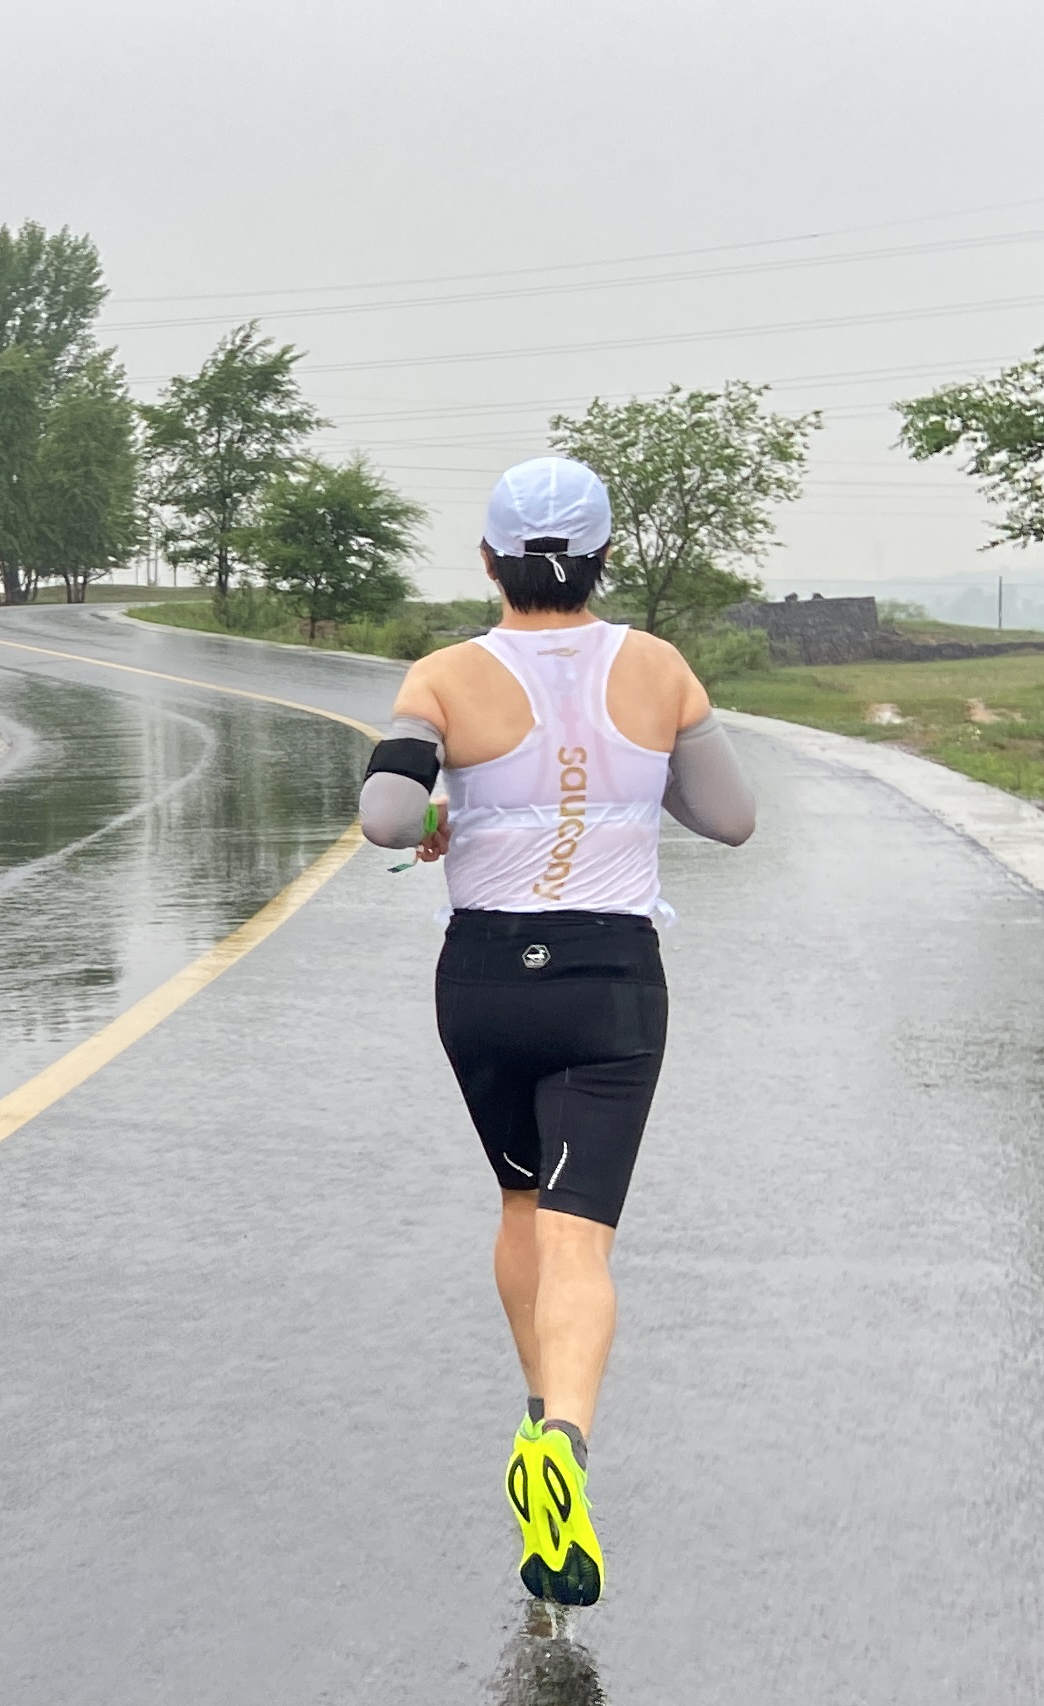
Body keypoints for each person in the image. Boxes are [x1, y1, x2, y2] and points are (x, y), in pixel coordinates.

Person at [356, 458, 757, 1607]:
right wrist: (636, 788)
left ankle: (537, 1406)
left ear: (488, 560)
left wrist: (443, 804)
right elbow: (730, 820)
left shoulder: (445, 674)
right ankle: (562, 1445)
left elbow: (387, 817)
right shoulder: (660, 668)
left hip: (483, 979)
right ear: (604, 559)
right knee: (581, 1238)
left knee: (522, 1202)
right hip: (609, 977)